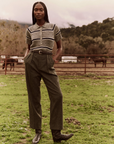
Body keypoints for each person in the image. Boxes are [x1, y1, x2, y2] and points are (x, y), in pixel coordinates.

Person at [24, 1, 74, 143]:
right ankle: (37, 131)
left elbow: (60, 48)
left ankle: (56, 133)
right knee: (34, 97)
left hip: (47, 61)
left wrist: (54, 59)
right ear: (33, 12)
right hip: (32, 61)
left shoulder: (53, 27)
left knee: (57, 95)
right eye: (36, 10)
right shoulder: (30, 29)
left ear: (45, 11)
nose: (38, 12)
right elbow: (28, 47)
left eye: (41, 10)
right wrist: (26, 56)